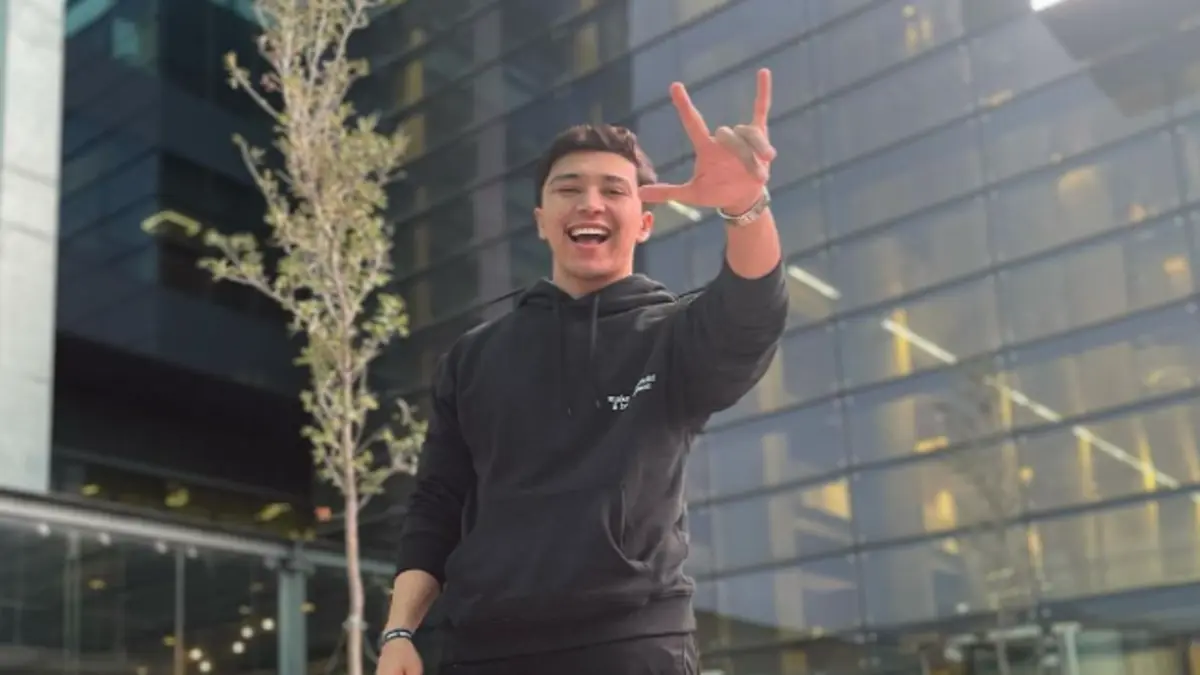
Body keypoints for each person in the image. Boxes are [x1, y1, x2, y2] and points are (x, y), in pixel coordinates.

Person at [376, 68, 788, 675]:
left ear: (644, 221)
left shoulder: (673, 336)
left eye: (613, 190)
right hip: (483, 650)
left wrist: (745, 207)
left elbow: (753, 313)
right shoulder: (473, 357)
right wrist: (398, 631)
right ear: (541, 218)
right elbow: (437, 503)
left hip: (632, 645)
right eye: (568, 188)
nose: (590, 202)